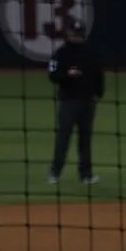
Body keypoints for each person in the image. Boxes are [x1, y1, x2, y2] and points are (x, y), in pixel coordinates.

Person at [46, 18, 104, 185]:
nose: (76, 36)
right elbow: (52, 75)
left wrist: (98, 94)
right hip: (68, 102)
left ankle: (86, 175)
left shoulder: (91, 54)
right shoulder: (61, 53)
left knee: (85, 140)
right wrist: (67, 75)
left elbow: (99, 75)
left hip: (87, 103)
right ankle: (55, 172)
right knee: (63, 138)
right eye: (74, 33)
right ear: (68, 33)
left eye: (79, 33)